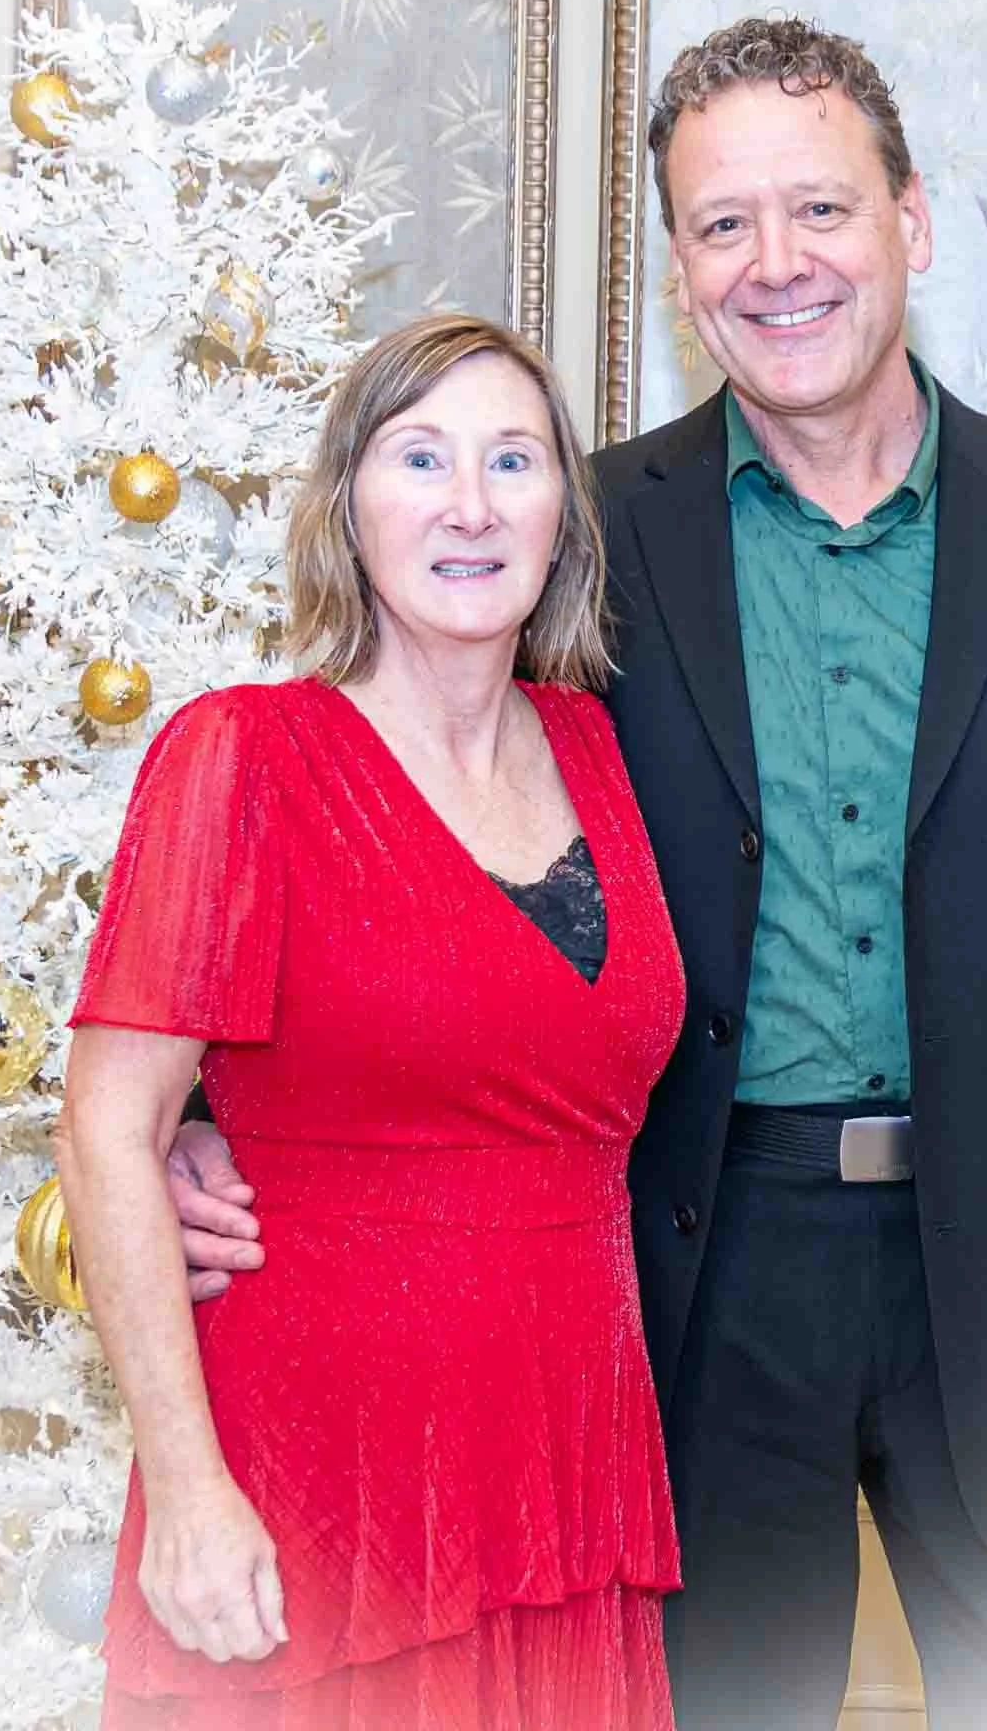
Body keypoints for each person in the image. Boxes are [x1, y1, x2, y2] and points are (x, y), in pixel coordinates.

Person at [168, 19, 987, 1731]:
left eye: (819, 209)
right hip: (693, 1281)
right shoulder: (579, 538)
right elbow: (417, 838)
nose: (778, 264)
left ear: (910, 220)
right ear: (677, 269)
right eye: (723, 224)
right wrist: (212, 1115)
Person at [56, 313, 685, 1731]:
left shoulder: (599, 747)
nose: (470, 505)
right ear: (350, 504)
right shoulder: (245, 757)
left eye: (512, 460)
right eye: (422, 457)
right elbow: (109, 1124)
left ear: (560, 518)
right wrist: (190, 1491)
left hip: (566, 1491)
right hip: (312, 1505)